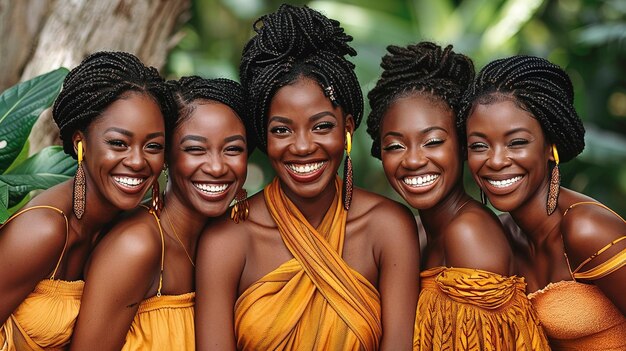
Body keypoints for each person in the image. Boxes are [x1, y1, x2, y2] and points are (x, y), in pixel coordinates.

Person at [195, 4, 420, 351]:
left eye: (322, 126)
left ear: (347, 128)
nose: (302, 146)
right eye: (282, 129)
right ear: (263, 136)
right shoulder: (227, 240)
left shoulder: (389, 227)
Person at [366, 41, 550, 350]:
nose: (412, 160)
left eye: (433, 141)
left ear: (463, 146)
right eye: (395, 146)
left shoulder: (469, 234)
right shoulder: (421, 232)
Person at [0, 51, 171, 350]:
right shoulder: (44, 230)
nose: (137, 161)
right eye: (118, 143)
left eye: (153, 146)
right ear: (81, 143)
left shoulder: (124, 225)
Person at [69, 76, 250, 350]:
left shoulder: (228, 241)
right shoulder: (137, 245)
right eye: (195, 149)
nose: (216, 167)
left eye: (233, 149)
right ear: (166, 157)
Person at [459, 54, 626, 350]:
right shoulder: (501, 236)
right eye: (479, 146)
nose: (496, 161)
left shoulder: (585, 228)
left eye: (517, 142)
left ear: (550, 147)